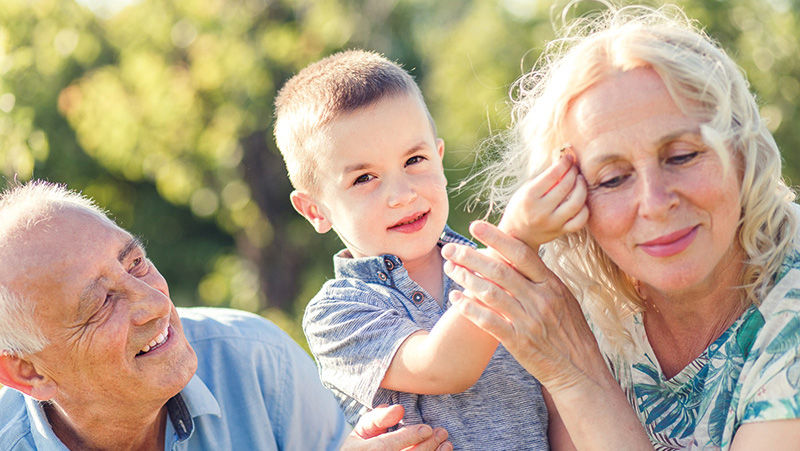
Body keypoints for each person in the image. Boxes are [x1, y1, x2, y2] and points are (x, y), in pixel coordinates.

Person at [440, 3, 800, 449]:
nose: (653, 204)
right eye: (612, 179)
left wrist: (576, 373)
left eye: (683, 155)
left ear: (742, 151)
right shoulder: (576, 296)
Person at [272, 49, 583, 448]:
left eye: (414, 159)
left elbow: (559, 402)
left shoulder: (488, 267)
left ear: (438, 157)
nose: (402, 194)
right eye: (365, 178)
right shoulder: (338, 312)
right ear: (315, 209)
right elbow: (443, 367)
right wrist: (517, 239)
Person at [0, 181, 451, 450]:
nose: (155, 303)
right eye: (101, 302)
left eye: (135, 262)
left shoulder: (259, 364)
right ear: (26, 371)